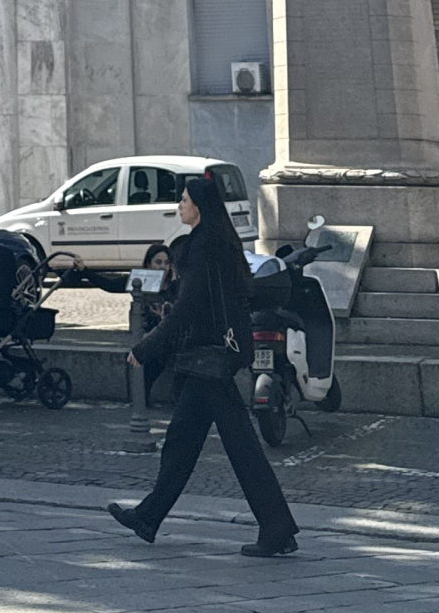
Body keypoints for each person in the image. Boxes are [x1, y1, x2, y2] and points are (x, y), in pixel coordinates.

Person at [107, 174, 299, 559]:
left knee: (241, 448)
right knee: (182, 442)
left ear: (198, 206)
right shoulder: (222, 242)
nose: (179, 205)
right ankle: (149, 517)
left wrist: (146, 347)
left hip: (207, 359)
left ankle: (276, 527)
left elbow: (188, 309)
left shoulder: (202, 246)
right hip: (211, 358)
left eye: (183, 199)